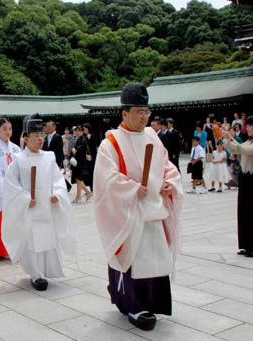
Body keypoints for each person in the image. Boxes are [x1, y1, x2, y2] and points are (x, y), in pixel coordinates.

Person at [93, 82, 183, 331]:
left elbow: (167, 165)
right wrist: (132, 188)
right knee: (134, 257)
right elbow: (105, 179)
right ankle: (133, 304)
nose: (144, 117)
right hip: (129, 212)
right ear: (124, 113)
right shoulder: (111, 143)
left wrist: (168, 182)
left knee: (154, 257)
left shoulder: (152, 136)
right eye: (139, 112)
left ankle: (154, 301)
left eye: (147, 112)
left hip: (153, 207)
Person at [2, 114, 75, 291]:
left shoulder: (49, 157)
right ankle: (36, 275)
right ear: (26, 138)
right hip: (30, 208)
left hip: (47, 207)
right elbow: (10, 185)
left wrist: (58, 193)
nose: (40, 139)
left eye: (42, 135)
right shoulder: (18, 160)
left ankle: (47, 270)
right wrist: (25, 199)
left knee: (48, 240)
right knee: (33, 242)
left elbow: (58, 179)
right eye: (36, 136)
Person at [222, 114, 253, 257]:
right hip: (245, 177)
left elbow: (245, 150)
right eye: (247, 125)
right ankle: (245, 245)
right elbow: (236, 149)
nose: (247, 128)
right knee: (243, 211)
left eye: (250, 125)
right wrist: (225, 138)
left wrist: (230, 137)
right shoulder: (248, 141)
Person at [0, 118, 21, 257]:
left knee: (13, 221)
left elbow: (20, 168)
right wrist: (5, 186)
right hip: (1, 190)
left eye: (10, 129)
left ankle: (12, 249)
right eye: (4, 129)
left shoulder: (15, 148)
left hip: (14, 189)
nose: (8, 132)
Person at [70, 125, 92, 203]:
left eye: (79, 131)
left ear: (82, 132)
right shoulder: (79, 139)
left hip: (81, 162)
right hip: (78, 162)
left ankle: (78, 197)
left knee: (79, 179)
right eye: (76, 131)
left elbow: (81, 150)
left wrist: (74, 150)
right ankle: (88, 192)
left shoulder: (83, 139)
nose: (77, 132)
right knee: (78, 179)